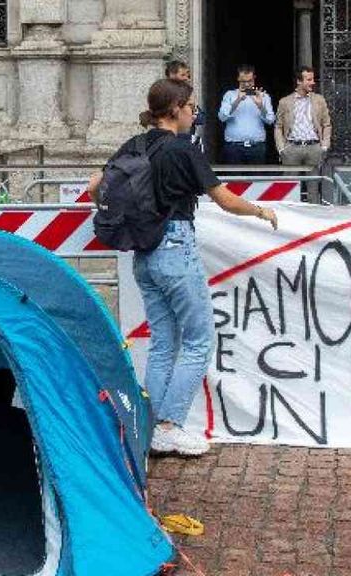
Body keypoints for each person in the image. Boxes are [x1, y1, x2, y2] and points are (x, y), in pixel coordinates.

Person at [87, 78, 280, 457]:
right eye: (191, 106)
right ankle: (170, 425)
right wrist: (261, 210)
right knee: (199, 340)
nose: (195, 113)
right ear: (175, 109)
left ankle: (150, 427)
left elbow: (96, 185)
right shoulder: (183, 150)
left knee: (163, 344)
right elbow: (224, 199)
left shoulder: (135, 145)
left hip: (145, 253)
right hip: (175, 246)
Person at [276, 66, 333, 201]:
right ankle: (288, 216)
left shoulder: (319, 100)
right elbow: (278, 126)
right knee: (288, 187)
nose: (312, 82)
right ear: (299, 81)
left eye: (312, 79)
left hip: (313, 147)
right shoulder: (285, 102)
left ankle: (314, 218)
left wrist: (324, 145)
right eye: (309, 79)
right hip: (292, 148)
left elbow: (327, 124)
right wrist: (281, 148)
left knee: (313, 188)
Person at [216, 65, 275, 165]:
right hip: (234, 147)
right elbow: (222, 117)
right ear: (238, 78)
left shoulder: (264, 96)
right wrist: (237, 101)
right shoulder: (229, 95)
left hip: (257, 147)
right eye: (243, 81)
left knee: (256, 179)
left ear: (254, 78)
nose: (247, 84)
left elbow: (270, 120)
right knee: (235, 179)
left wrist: (261, 106)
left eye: (250, 81)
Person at [165, 59, 205, 149]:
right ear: (172, 75)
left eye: (188, 75)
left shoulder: (188, 93)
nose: (187, 78)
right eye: (183, 75)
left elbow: (201, 120)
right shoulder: (162, 94)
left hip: (188, 141)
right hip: (171, 142)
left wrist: (194, 109)